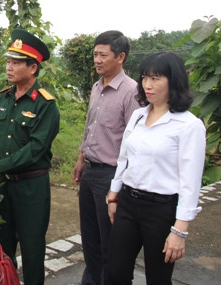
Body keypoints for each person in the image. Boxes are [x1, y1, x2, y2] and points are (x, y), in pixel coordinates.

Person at [106, 51, 206, 284]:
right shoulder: (138, 116)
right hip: (128, 203)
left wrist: (179, 231)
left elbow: (190, 183)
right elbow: (124, 158)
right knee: (115, 272)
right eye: (144, 78)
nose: (147, 85)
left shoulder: (189, 126)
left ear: (175, 81)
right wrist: (113, 194)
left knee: (158, 278)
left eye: (156, 78)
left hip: (161, 210)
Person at [0, 28, 60, 285]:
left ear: (33, 68)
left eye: (16, 62)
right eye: (8, 62)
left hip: (31, 187)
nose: (9, 67)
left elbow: (36, 148)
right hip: (1, 185)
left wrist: (0, 165)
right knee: (3, 246)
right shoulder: (3, 99)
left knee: (33, 250)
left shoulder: (45, 104)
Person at [72, 30, 140, 285]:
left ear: (120, 57)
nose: (97, 60)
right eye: (95, 54)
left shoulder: (131, 91)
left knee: (110, 240)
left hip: (111, 175)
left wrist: (121, 185)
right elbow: (91, 126)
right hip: (90, 170)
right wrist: (81, 158)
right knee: (89, 237)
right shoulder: (96, 87)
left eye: (103, 55)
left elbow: (135, 141)